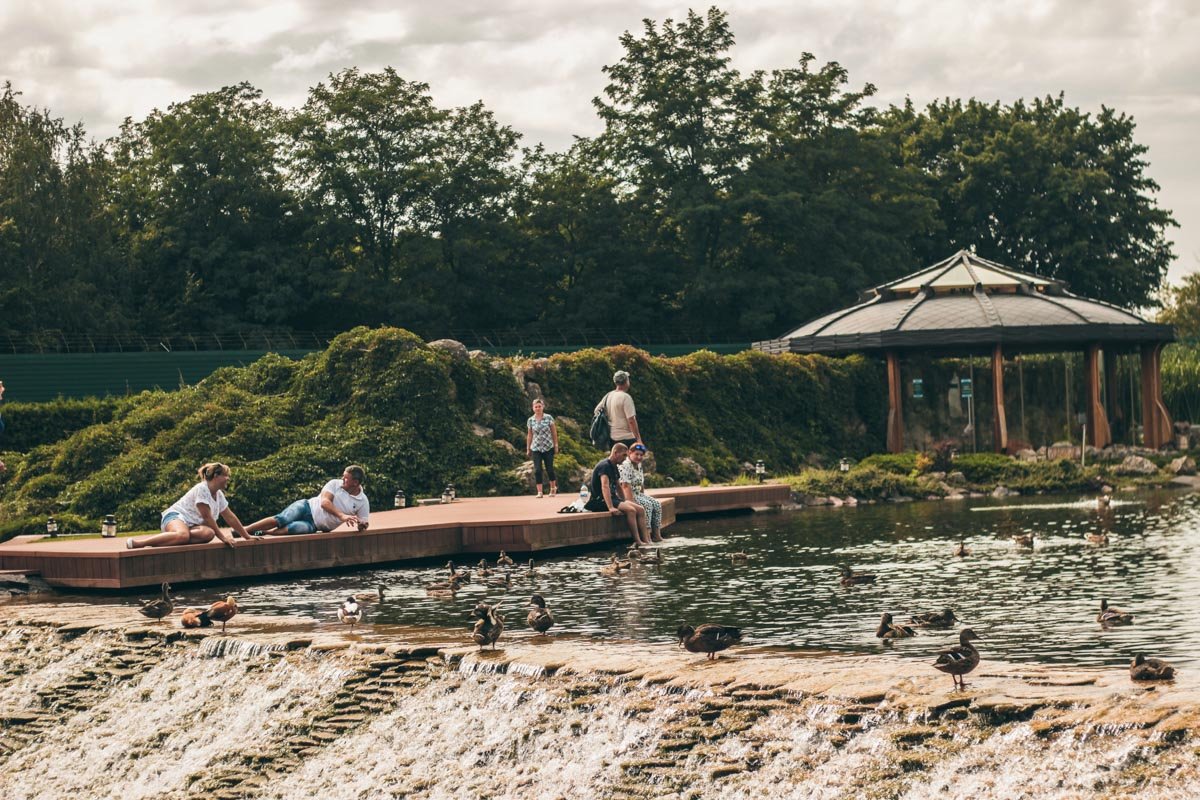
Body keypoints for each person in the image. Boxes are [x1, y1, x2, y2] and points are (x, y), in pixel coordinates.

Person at [127, 463, 254, 549]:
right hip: (176, 517)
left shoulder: (218, 494)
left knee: (208, 534)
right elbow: (207, 517)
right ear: (216, 476)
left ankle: (171, 539)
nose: (228, 478)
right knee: (183, 535)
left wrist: (247, 536)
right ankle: (141, 543)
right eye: (226, 475)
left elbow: (230, 516)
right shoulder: (202, 489)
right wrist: (223, 538)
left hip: (191, 525)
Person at [244, 465, 371, 536]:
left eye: (345, 478)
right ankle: (244, 531)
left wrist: (361, 525)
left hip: (314, 525)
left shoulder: (362, 501)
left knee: (292, 529)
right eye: (343, 476)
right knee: (282, 519)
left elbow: (364, 523)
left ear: (355, 483)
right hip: (306, 506)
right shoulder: (334, 484)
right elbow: (324, 503)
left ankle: (263, 532)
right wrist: (342, 516)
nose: (342, 479)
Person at [584, 443, 648, 545]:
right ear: (615, 453)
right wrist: (610, 507)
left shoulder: (614, 466)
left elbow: (618, 486)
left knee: (640, 509)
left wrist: (624, 501)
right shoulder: (604, 466)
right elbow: (604, 486)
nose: (625, 458)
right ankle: (638, 541)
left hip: (613, 498)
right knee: (631, 510)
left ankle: (647, 540)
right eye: (624, 455)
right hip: (599, 500)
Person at [619, 443, 663, 543]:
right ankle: (647, 536)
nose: (639, 457)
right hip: (627, 495)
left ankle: (657, 535)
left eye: (641, 455)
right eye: (637, 454)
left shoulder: (638, 465)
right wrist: (631, 503)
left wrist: (643, 496)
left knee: (656, 504)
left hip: (637, 493)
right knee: (647, 505)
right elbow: (625, 486)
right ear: (630, 453)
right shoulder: (626, 465)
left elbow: (641, 484)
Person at [595, 370, 641, 448]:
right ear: (626, 382)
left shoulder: (609, 395)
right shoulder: (626, 397)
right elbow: (631, 420)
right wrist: (638, 439)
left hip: (612, 437)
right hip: (627, 437)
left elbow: (597, 411)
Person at [526, 398, 559, 498]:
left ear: (543, 407)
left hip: (548, 446)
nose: (538, 408)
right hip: (536, 447)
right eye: (536, 407)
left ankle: (553, 488)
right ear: (533, 408)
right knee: (537, 470)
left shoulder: (548, 418)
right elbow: (530, 435)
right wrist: (528, 448)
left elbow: (554, 432)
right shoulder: (530, 420)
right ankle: (540, 492)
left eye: (539, 406)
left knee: (550, 469)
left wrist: (556, 445)